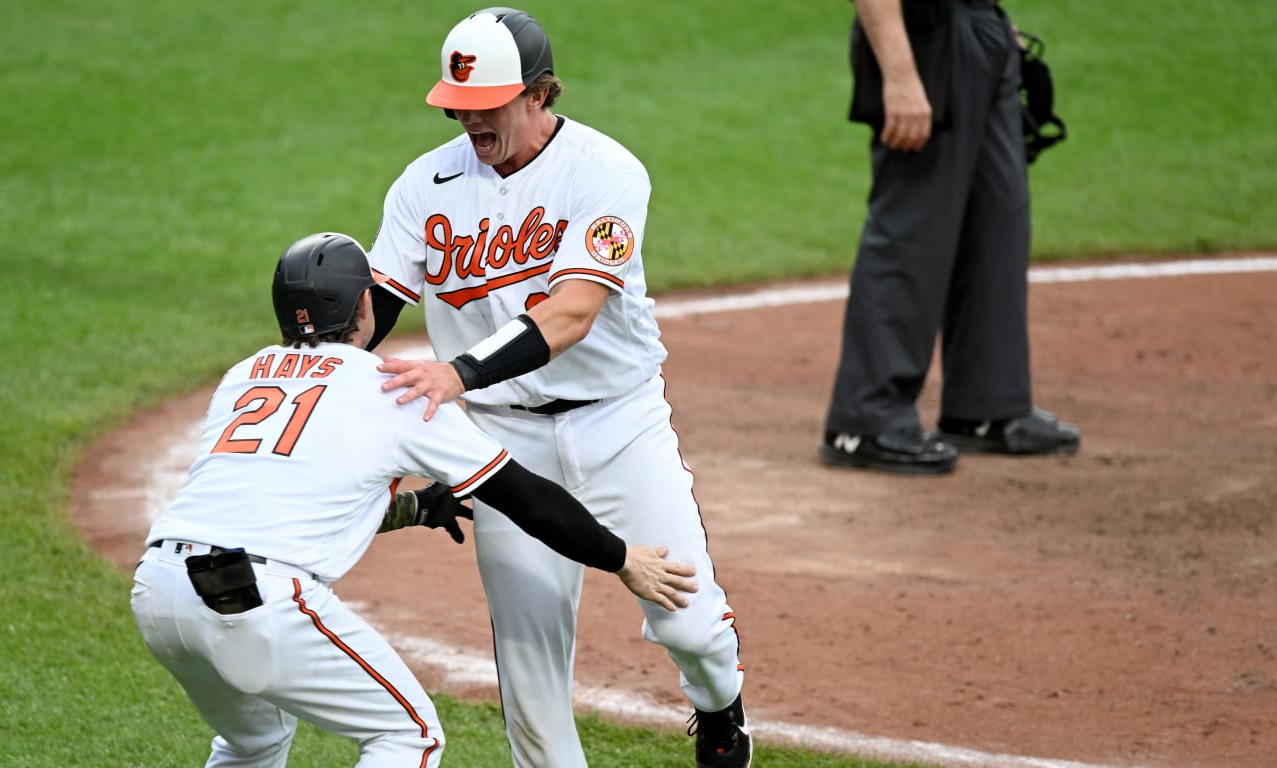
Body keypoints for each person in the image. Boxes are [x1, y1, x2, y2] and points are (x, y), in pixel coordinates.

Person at [130, 232, 699, 768]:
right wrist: (621, 557)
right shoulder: (394, 387)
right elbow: (524, 495)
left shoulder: (244, 376)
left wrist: (418, 509)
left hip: (158, 590)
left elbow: (284, 500)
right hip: (258, 598)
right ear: (363, 307)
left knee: (253, 741)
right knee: (408, 736)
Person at [362, 9, 751, 767]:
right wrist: (310, 371)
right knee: (531, 673)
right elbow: (374, 307)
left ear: (541, 94)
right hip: (503, 439)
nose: (471, 118)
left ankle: (721, 708)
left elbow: (570, 312)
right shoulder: (423, 185)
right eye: (459, 104)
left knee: (691, 627)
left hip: (620, 425)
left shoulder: (605, 172)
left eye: (491, 103)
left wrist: (458, 373)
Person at [818, 0, 1081, 475]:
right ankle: (866, 420)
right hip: (926, 35)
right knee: (913, 229)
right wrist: (899, 75)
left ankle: (985, 406)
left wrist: (1000, 32)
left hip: (980, 27)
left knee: (997, 221)